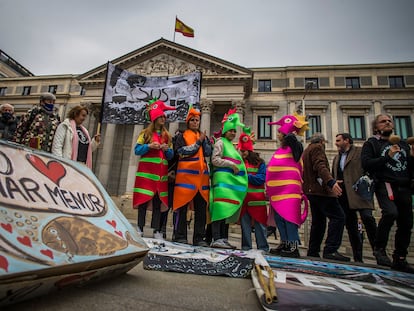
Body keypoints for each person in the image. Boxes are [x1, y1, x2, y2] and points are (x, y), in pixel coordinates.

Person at [361, 114, 414, 273]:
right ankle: (379, 248)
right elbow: (367, 164)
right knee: (390, 213)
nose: (387, 123)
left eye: (390, 121)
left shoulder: (403, 145)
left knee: (406, 223)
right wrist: (387, 157)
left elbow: (409, 167)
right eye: (383, 121)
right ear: (376, 127)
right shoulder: (372, 143)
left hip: (404, 186)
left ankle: (400, 257)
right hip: (385, 184)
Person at [266, 113, 309, 258]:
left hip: (290, 190)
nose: (277, 134)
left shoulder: (295, 147)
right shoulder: (282, 149)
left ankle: (293, 245)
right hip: (278, 191)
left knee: (289, 217)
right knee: (279, 217)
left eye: (279, 131)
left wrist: (289, 131)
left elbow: (294, 143)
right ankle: (285, 242)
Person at [303, 132, 350, 262]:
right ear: (322, 142)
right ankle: (331, 249)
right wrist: (331, 182)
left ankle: (313, 250)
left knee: (318, 222)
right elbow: (320, 166)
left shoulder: (306, 151)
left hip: (311, 191)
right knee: (339, 217)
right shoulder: (317, 148)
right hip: (321, 191)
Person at [133, 98, 175, 239]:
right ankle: (140, 227)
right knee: (143, 201)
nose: (163, 118)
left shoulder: (167, 136)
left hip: (160, 175)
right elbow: (137, 150)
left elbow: (171, 155)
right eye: (161, 116)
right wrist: (149, 146)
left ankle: (157, 230)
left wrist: (166, 150)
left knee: (158, 203)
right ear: (155, 118)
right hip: (146, 173)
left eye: (164, 116)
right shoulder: (145, 133)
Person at [332, 133, 377, 263]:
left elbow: (369, 167)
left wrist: (368, 182)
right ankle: (358, 256)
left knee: (368, 219)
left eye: (339, 140)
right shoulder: (336, 158)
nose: (336, 143)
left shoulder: (360, 152)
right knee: (351, 227)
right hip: (344, 197)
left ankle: (378, 250)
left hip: (360, 193)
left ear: (347, 141)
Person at [172, 106, 212, 246]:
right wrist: (198, 142)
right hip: (185, 179)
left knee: (201, 210)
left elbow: (207, 153)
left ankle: (199, 238)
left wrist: (206, 142)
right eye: (193, 120)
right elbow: (182, 152)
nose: (196, 122)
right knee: (181, 208)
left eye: (197, 120)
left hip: (201, 180)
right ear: (188, 122)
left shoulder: (203, 136)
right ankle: (179, 235)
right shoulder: (181, 136)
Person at [209, 108, 248, 249]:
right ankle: (216, 238)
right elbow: (215, 160)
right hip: (221, 184)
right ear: (225, 130)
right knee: (219, 209)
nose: (233, 133)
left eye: (234, 131)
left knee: (225, 211)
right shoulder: (220, 142)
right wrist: (231, 164)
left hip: (228, 185)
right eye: (231, 131)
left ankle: (223, 238)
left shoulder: (231, 146)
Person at [237, 132, 269, 252]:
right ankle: (246, 249)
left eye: (244, 151)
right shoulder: (240, 162)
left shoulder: (260, 163)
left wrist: (246, 176)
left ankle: (263, 248)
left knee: (260, 225)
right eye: (241, 151)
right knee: (245, 227)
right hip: (244, 200)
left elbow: (261, 178)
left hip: (257, 200)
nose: (242, 153)